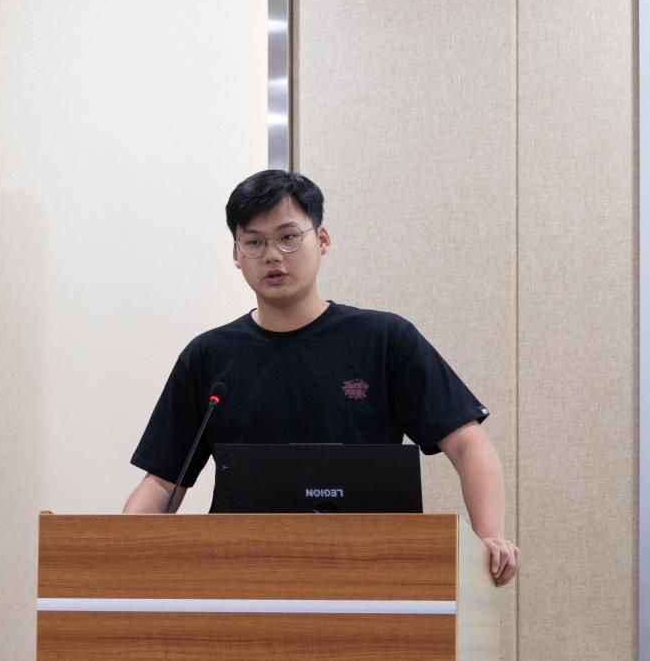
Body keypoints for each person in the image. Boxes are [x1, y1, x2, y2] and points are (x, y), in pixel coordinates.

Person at [122, 169, 519, 586]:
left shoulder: (384, 339)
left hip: (372, 574)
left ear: (322, 239)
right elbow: (163, 481)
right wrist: (118, 550)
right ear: (236, 255)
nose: (272, 255)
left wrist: (488, 538)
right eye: (254, 242)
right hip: (241, 577)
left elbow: (467, 443)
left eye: (288, 237)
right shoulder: (208, 356)